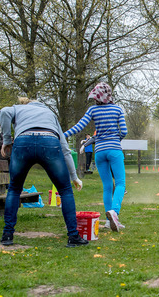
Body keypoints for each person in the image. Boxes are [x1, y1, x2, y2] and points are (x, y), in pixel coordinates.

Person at [0, 98, 87, 247]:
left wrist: (7, 140)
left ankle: (7, 235)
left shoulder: (19, 108)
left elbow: (4, 112)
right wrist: (74, 176)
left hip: (23, 142)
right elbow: (65, 148)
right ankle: (73, 236)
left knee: (14, 189)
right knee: (65, 191)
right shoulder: (50, 114)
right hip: (49, 142)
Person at [64, 83, 128, 232]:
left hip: (99, 151)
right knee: (120, 184)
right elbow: (124, 131)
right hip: (114, 150)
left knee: (107, 186)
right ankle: (114, 212)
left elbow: (79, 126)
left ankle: (108, 221)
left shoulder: (92, 110)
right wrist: (115, 139)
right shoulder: (118, 109)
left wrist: (63, 134)